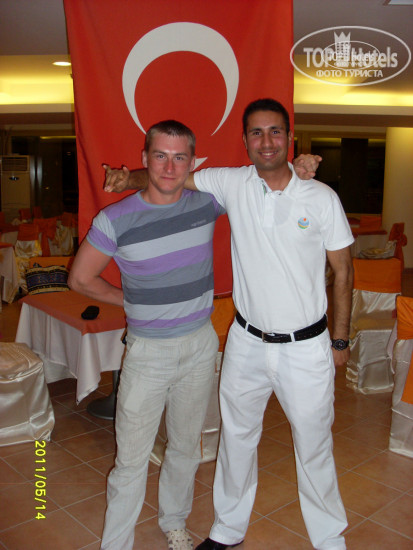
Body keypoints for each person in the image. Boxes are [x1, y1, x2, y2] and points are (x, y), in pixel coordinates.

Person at [104, 98, 353, 550]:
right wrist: (128, 179)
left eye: (275, 131)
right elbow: (171, 175)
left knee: (314, 443)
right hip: (246, 342)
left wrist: (340, 340)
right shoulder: (233, 183)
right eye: (256, 132)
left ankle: (329, 536)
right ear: (245, 140)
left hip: (306, 346)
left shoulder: (321, 197)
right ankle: (227, 529)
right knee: (236, 440)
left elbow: (344, 271)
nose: (266, 141)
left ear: (289, 137)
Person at [69, 120, 224, 550]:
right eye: (160, 156)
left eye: (179, 157)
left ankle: (174, 522)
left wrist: (299, 169)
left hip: (199, 345)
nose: (169, 167)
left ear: (192, 163)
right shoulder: (115, 219)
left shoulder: (208, 203)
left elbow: (261, 184)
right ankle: (116, 543)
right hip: (147, 353)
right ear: (144, 159)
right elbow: (80, 279)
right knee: (131, 460)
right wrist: (129, 300)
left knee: (185, 447)